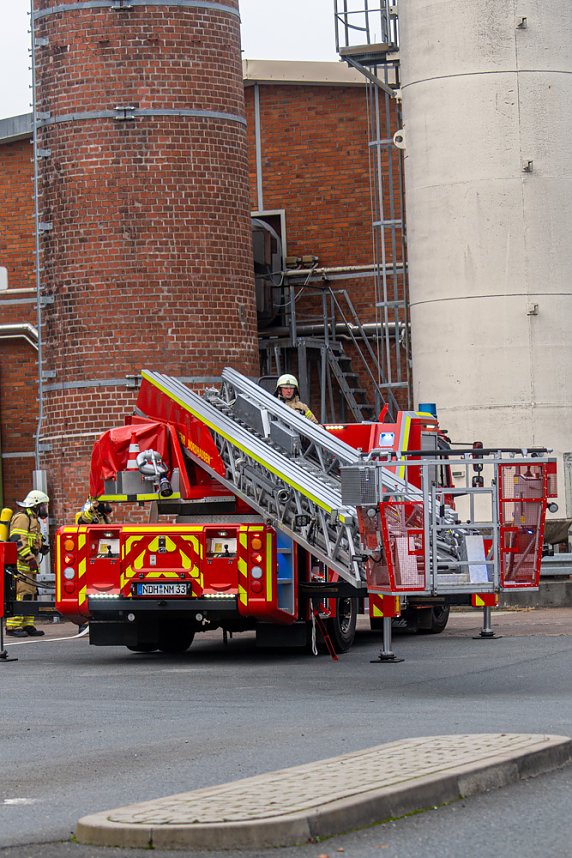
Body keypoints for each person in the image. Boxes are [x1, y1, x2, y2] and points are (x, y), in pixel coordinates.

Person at [6, 490, 50, 638]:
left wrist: (41, 547)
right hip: (21, 564)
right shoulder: (22, 518)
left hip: (30, 565)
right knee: (22, 594)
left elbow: (31, 539)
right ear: (35, 504)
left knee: (30, 595)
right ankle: (13, 626)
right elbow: (17, 539)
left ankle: (27, 624)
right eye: (43, 505)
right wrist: (29, 558)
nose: (45, 508)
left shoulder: (33, 519)